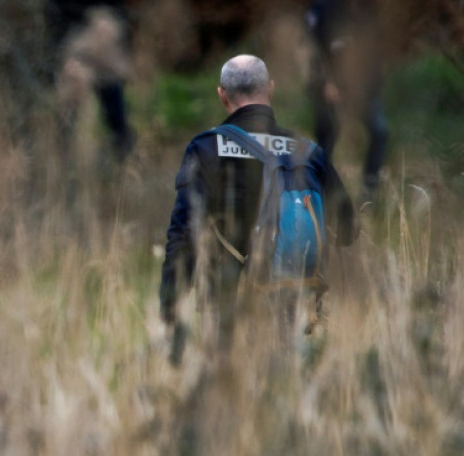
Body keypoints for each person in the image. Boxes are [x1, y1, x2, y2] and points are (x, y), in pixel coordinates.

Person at [159, 54, 356, 355]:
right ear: (271, 90)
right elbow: (347, 228)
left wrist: (170, 305)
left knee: (230, 389)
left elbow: (183, 233)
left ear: (222, 95)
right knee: (287, 381)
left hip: (226, 300)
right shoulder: (308, 151)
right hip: (293, 296)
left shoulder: (206, 148)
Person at [305, 0, 389, 207]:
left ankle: (369, 196)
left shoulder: (368, 10)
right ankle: (322, 196)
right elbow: (310, 50)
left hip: (362, 89)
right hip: (329, 89)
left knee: (379, 132)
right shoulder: (322, 9)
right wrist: (325, 82)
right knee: (326, 142)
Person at [47, 0, 135, 159]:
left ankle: (120, 138)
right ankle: (64, 150)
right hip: (73, 32)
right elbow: (56, 11)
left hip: (104, 24)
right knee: (75, 81)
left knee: (109, 80)